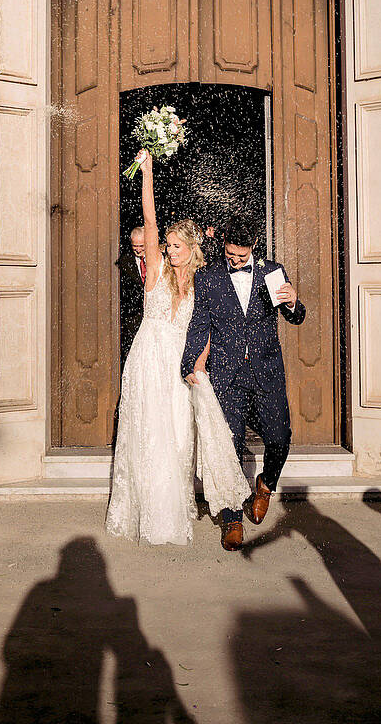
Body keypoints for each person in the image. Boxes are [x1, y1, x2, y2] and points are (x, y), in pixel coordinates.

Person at [107, 151, 250, 548]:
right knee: (149, 431)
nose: (168, 250)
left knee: (179, 432)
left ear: (190, 246)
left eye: (174, 246)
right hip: (148, 357)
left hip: (181, 360)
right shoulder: (154, 269)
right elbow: (149, 220)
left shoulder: (204, 281)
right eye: (165, 245)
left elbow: (204, 328)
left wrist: (200, 361)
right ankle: (153, 508)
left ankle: (187, 499)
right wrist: (147, 172)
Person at [180, 210, 305, 551]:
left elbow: (295, 316)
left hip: (266, 370)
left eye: (241, 255)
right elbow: (199, 324)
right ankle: (232, 518)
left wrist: (294, 302)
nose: (234, 260)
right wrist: (191, 363)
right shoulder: (207, 277)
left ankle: (264, 485)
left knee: (280, 437)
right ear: (223, 244)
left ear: (254, 246)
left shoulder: (272, 271)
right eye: (230, 254)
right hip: (227, 374)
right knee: (230, 445)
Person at [117, 225, 150, 362]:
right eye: (135, 246)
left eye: (142, 245)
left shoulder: (159, 260)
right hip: (132, 319)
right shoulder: (124, 262)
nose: (138, 249)